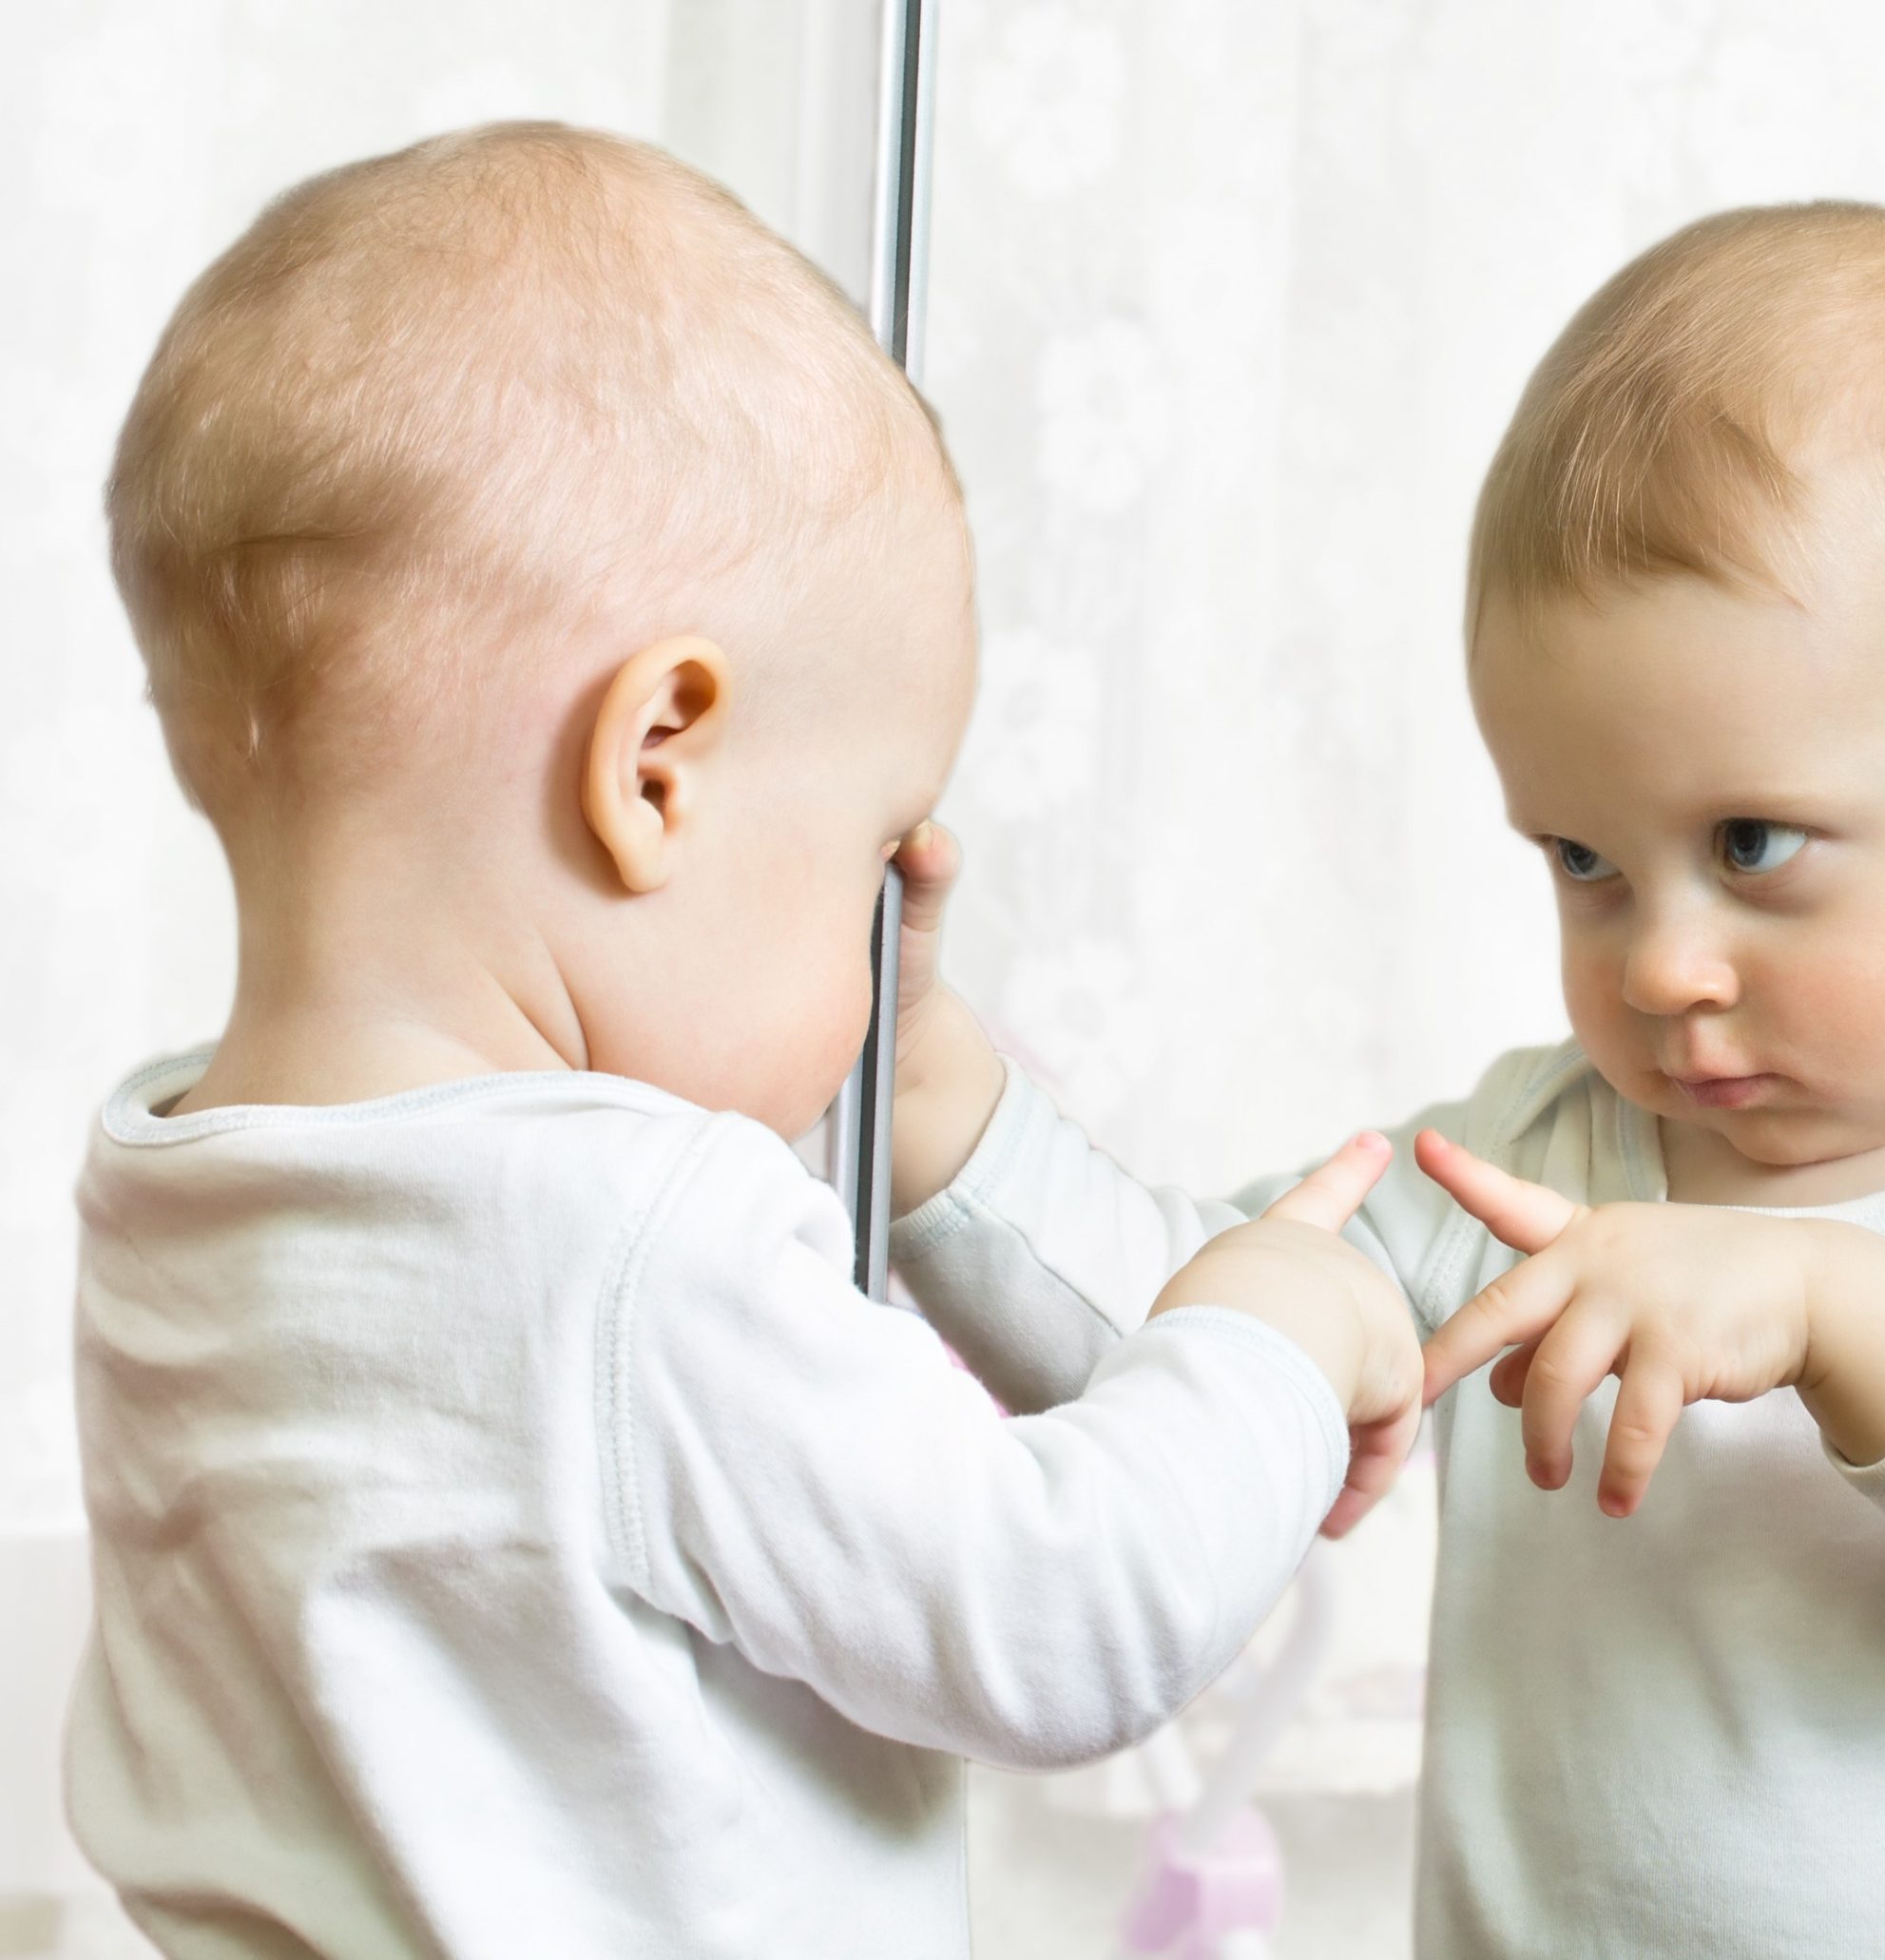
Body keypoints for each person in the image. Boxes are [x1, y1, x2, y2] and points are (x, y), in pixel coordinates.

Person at [887, 202, 1885, 1955]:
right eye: (1583, 859)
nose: (1658, 963)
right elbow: (1191, 1343)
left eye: (1753, 844)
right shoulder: (1535, 1163)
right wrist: (919, 1095)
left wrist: (1833, 1302)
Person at [70, 122, 1423, 1959]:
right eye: (870, 854)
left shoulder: (176, 1186)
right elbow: (1058, 1614)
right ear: (655, 768)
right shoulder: (631, 1242)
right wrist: (1269, 1327)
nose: (881, 951)